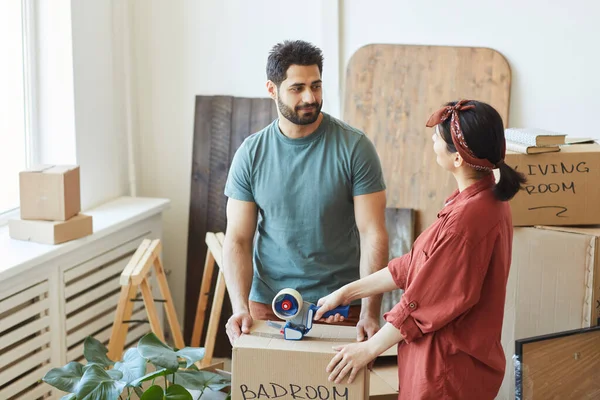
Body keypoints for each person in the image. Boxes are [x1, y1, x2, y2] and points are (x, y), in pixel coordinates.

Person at [314, 100, 526, 399]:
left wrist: (367, 350)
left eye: (438, 137)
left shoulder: (467, 220)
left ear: (458, 159)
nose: (432, 140)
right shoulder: (481, 198)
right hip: (448, 365)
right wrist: (346, 293)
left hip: (445, 372)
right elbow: (412, 265)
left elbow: (421, 305)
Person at [222, 40, 389, 345]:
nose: (310, 97)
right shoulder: (251, 153)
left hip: (341, 304)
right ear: (272, 89)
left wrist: (369, 311)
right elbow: (237, 239)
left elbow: (373, 233)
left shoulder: (355, 147)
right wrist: (240, 308)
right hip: (270, 305)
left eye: (316, 86)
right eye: (297, 88)